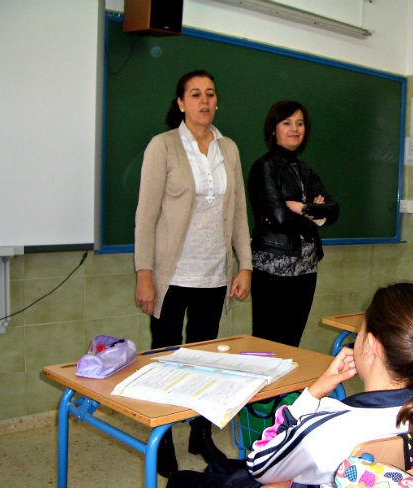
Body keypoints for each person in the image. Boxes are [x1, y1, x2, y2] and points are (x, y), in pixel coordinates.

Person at [166, 282, 413, 488]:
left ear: (370, 346)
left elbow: (259, 463)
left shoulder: (332, 426)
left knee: (184, 481)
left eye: (360, 329)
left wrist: (311, 394)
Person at [133, 70, 252, 477]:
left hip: (214, 274)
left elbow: (238, 213)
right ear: (181, 103)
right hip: (171, 275)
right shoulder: (163, 146)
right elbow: (145, 215)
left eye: (211, 94)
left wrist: (245, 265)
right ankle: (161, 437)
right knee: (165, 360)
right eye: (195, 94)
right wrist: (144, 273)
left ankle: (200, 433)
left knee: (204, 363)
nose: (204, 101)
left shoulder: (228, 148)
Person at [248, 100, 339, 347]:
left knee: (292, 341)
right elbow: (278, 217)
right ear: (273, 129)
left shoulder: (306, 170)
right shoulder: (264, 167)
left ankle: (290, 387)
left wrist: (303, 208)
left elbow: (333, 210)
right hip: (273, 265)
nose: (295, 129)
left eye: (300, 124)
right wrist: (314, 216)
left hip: (306, 267)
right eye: (287, 123)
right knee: (268, 341)